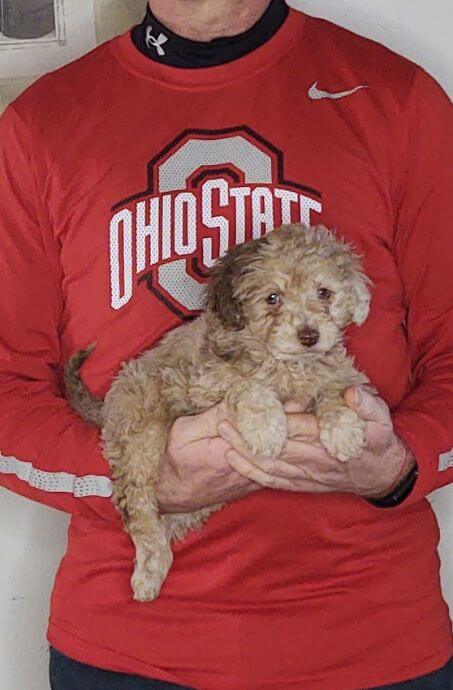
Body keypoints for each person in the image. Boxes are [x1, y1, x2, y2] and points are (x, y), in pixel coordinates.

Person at [0, 1, 451, 688]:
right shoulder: (39, 126)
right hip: (131, 645)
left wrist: (397, 467)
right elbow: (6, 394)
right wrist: (137, 476)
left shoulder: (397, 98)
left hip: (372, 640)